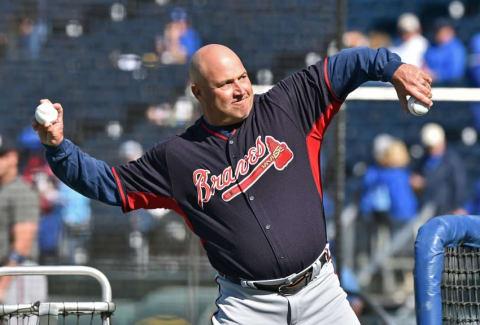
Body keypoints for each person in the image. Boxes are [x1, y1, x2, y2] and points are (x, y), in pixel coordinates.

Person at [33, 44, 432, 324]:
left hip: (321, 292)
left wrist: (393, 68)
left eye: (242, 77)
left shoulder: (287, 105)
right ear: (198, 92)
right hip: (247, 305)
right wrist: (59, 149)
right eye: (226, 84)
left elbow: (347, 65)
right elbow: (108, 184)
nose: (241, 89)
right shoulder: (177, 157)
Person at [0, 133, 47, 306]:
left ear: (13, 157)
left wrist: (2, 285)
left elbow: (22, 244)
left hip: (19, 274)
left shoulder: (22, 191)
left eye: (1, 155)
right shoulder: (3, 189)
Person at [410, 123, 467, 216]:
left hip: (445, 208)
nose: (432, 150)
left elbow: (458, 183)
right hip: (426, 206)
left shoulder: (452, 160)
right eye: (429, 147)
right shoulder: (423, 159)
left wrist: (457, 206)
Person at [423, 18, 466, 85]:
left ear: (451, 32)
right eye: (437, 32)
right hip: (432, 86)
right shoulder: (432, 46)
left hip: (452, 87)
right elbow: (425, 63)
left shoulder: (456, 48)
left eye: (442, 32)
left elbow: (456, 73)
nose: (439, 35)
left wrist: (436, 76)